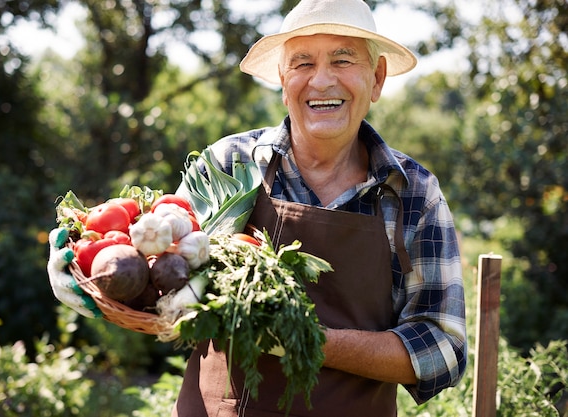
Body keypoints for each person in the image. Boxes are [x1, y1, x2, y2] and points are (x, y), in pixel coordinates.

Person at [47, 0, 467, 415]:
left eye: (342, 60)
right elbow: (166, 283)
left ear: (376, 79)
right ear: (283, 81)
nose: (321, 81)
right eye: (302, 63)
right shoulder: (228, 164)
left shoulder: (413, 193)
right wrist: (95, 274)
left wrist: (303, 338)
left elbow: (442, 348)